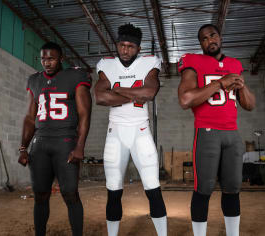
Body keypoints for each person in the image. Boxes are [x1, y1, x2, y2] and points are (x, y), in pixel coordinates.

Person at [177, 24, 256, 236]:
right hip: (207, 132)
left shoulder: (234, 64)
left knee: (233, 188)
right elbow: (185, 100)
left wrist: (241, 84)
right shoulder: (193, 62)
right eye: (203, 38)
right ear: (200, 43)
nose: (209, 40)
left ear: (220, 37)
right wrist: (221, 83)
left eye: (212, 35)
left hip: (233, 134)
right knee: (204, 189)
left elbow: (250, 105)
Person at [94, 23, 167, 236]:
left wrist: (116, 89)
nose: (125, 50)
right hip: (115, 132)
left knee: (153, 188)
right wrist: (135, 93)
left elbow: (150, 92)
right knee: (113, 190)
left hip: (141, 130)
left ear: (138, 48)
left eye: (130, 46)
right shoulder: (106, 65)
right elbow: (100, 97)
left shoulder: (150, 62)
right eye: (121, 45)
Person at [17, 42, 92, 236]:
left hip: (65, 141)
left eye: (51, 58)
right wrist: (23, 147)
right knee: (40, 196)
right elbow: (30, 117)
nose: (47, 63)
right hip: (40, 144)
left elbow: (85, 114)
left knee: (70, 194)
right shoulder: (34, 80)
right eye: (43, 58)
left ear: (61, 59)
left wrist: (80, 146)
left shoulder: (75, 76)